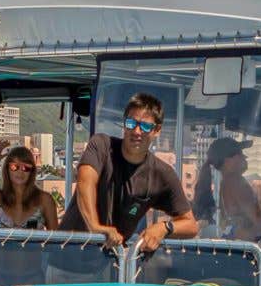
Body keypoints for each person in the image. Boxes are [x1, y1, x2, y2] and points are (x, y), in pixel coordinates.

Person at [65, 92, 199, 253]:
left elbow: (191, 225)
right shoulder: (101, 145)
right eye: (131, 123)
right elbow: (85, 183)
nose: (137, 131)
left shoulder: (162, 174)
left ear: (157, 130)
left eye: (145, 126)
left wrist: (163, 228)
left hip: (112, 265)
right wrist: (95, 227)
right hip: (67, 259)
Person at [190, 137, 261, 240]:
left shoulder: (226, 183)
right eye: (239, 153)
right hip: (245, 246)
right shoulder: (236, 182)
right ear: (227, 160)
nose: (245, 156)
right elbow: (259, 224)